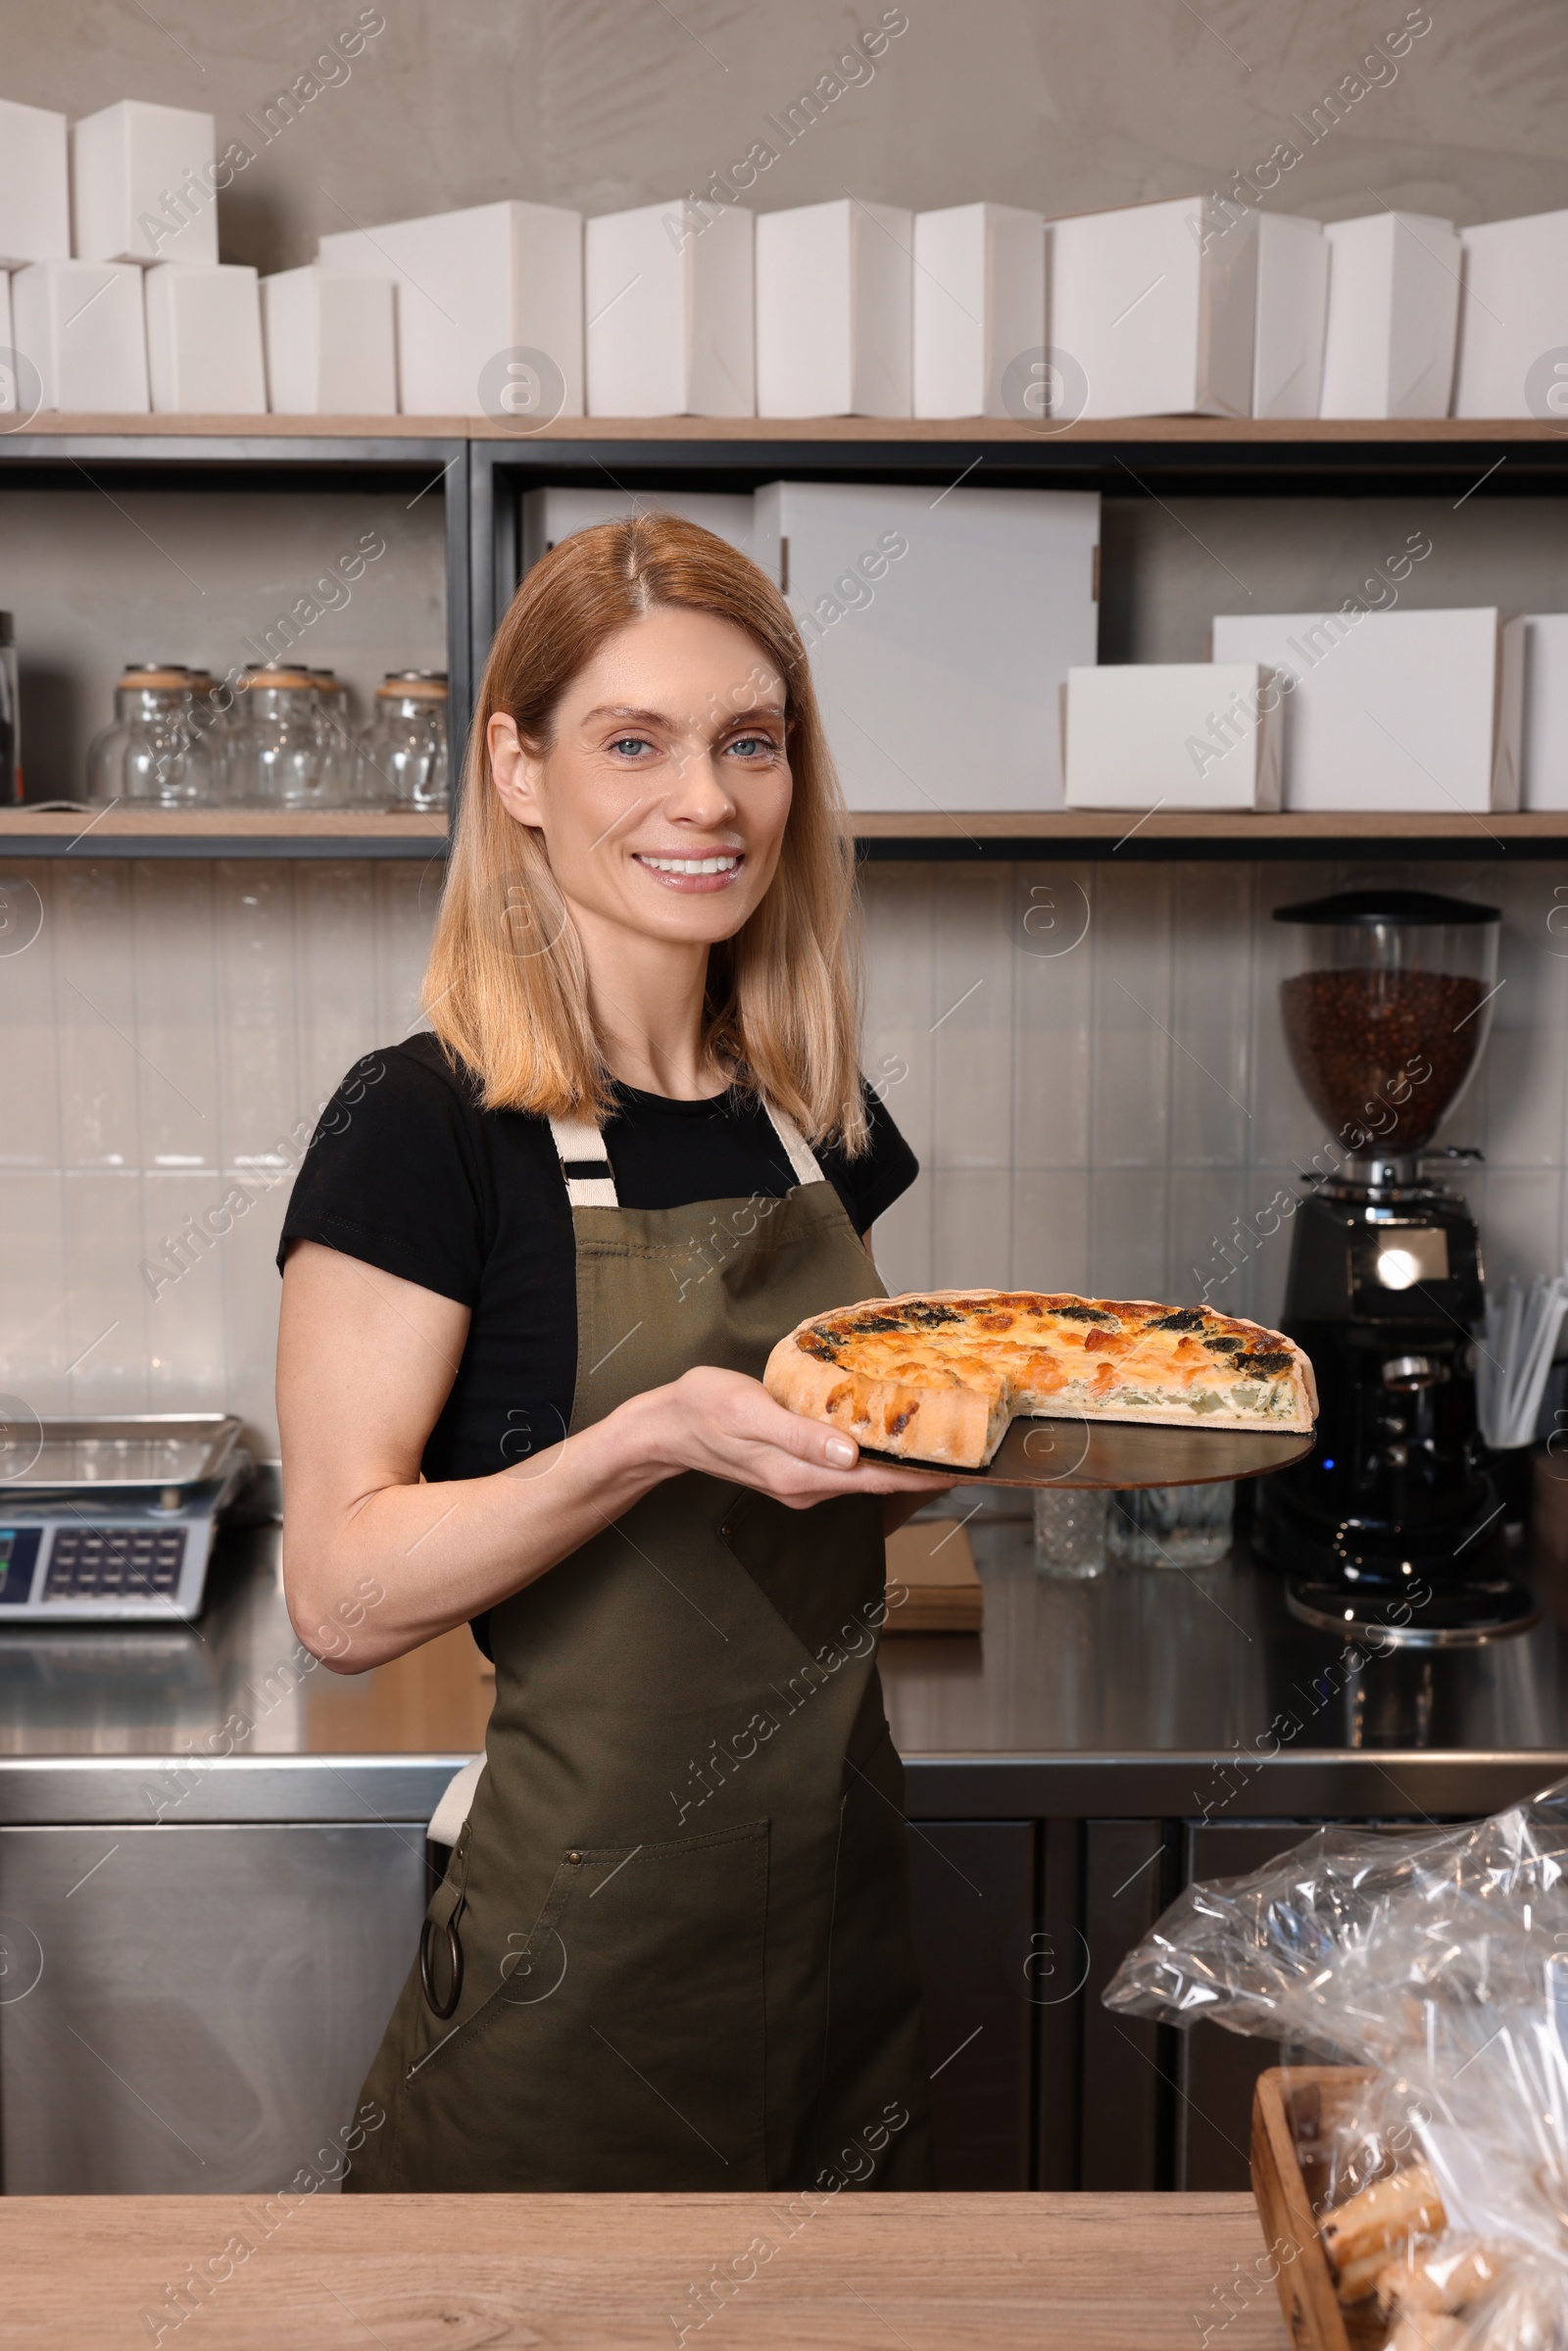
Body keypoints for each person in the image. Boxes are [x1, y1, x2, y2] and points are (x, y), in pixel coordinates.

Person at [275, 513, 941, 2194]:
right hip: (574, 1986)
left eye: (748, 743)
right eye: (631, 741)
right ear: (517, 767)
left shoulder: (819, 1124)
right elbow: (341, 1598)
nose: (705, 801)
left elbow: (825, 1494)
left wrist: (996, 1455)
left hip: (839, 1952)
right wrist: (642, 1436)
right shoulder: (424, 1127)